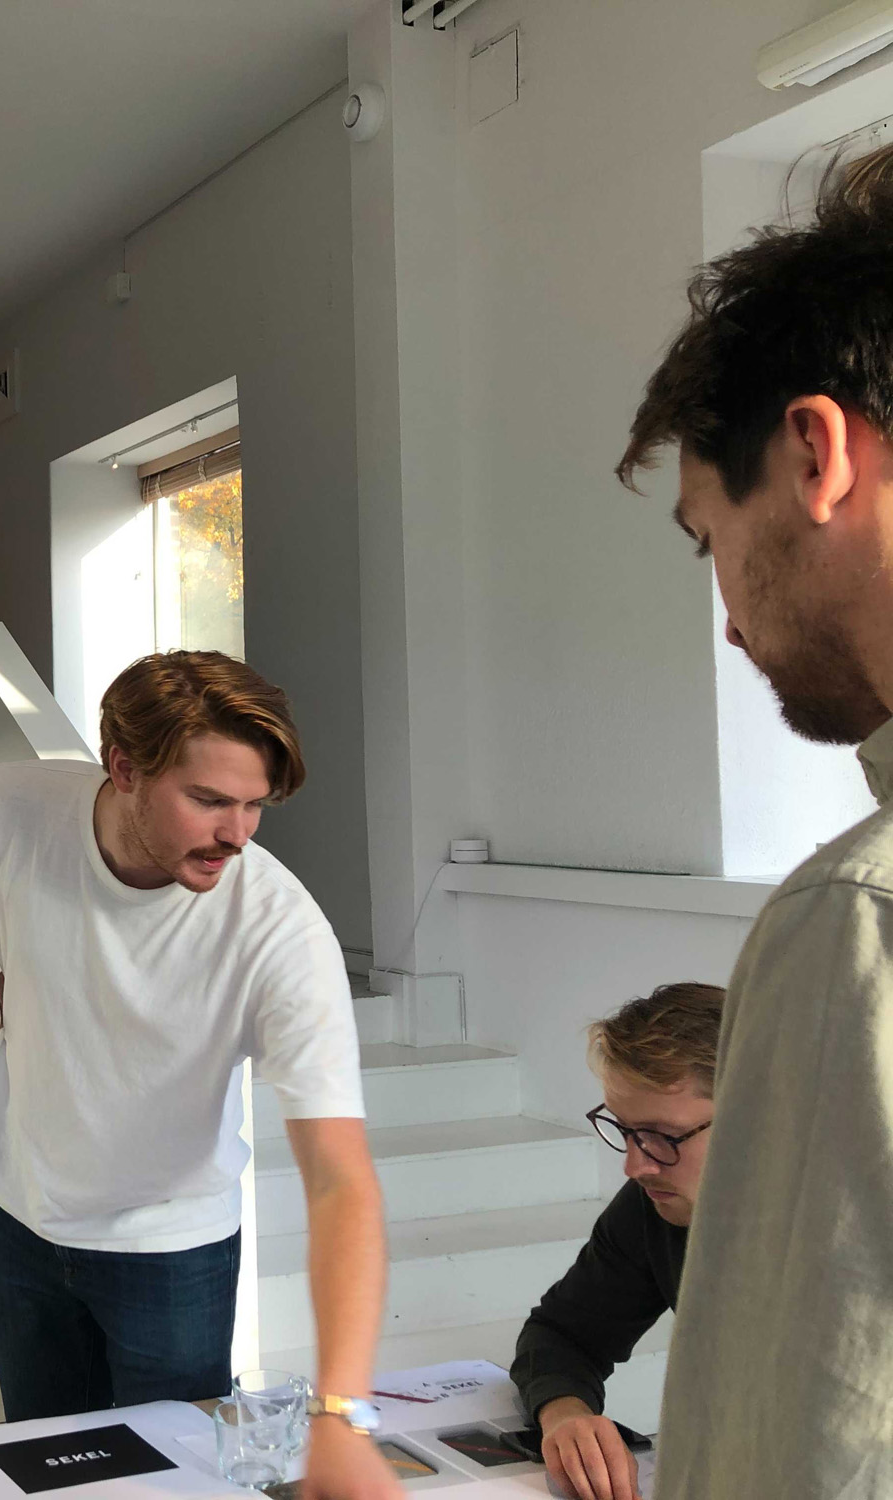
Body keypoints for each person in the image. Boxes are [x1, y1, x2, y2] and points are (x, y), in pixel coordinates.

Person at [0, 651, 399, 1500]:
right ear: (124, 769)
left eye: (254, 804)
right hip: (21, 1222)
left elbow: (341, 1182)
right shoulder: (11, 809)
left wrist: (339, 1414)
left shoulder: (280, 932)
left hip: (172, 1253)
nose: (238, 833)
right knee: (48, 1482)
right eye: (209, 800)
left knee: (175, 1491)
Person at [616, 142, 893, 1499]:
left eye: (708, 539)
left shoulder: (856, 921)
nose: (727, 620)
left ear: (814, 453)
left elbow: (802, 1457)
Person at [511, 983, 721, 1500]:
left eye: (662, 1136)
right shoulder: (657, 1207)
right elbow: (563, 1335)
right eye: (625, 1130)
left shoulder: (855, 1231)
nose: (635, 1165)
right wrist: (565, 1414)